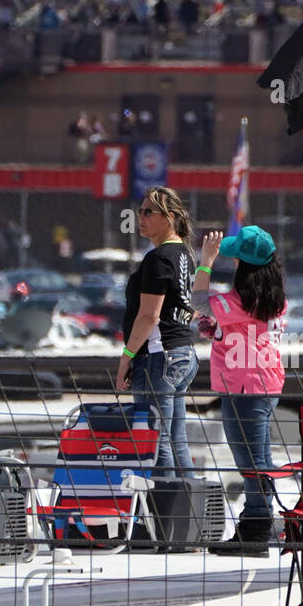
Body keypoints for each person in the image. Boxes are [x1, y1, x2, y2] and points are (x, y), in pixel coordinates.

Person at [191, 226, 286, 556]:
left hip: (244, 388)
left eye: (235, 259)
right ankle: (255, 524)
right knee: (258, 457)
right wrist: (219, 329)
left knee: (252, 460)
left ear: (244, 266)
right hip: (263, 383)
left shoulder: (241, 301)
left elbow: (199, 301)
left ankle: (256, 530)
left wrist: (205, 261)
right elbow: (237, 326)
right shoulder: (271, 299)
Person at [117, 187, 199, 478]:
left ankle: (165, 518)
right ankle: (186, 513)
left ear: (170, 217)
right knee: (176, 442)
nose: (141, 217)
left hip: (159, 357)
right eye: (140, 211)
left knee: (155, 442)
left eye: (148, 212)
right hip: (182, 353)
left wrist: (126, 357)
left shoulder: (158, 258)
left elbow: (149, 315)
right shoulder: (185, 254)